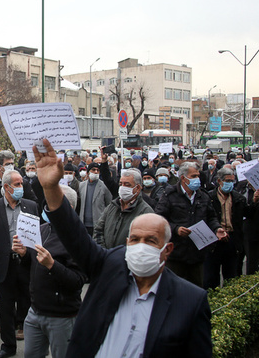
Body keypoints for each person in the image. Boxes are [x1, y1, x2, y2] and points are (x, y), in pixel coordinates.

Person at [32, 138, 213, 358]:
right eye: (135, 239)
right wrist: (51, 189)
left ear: (167, 249)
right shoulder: (109, 266)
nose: (141, 247)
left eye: (151, 241)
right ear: (127, 243)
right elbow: (74, 234)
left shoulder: (190, 301)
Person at [12, 185, 86, 358]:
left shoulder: (78, 238)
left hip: (62, 316)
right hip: (35, 311)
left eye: (52, 203)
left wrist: (53, 265)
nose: (46, 208)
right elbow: (32, 265)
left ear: (68, 207)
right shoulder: (43, 229)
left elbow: (78, 281)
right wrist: (24, 254)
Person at [0, 169, 39, 358]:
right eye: (18, 184)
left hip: (26, 264)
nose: (22, 187)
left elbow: (38, 239)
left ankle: (32, 345)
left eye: (22, 183)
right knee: (5, 308)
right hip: (3, 267)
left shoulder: (31, 206)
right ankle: (8, 346)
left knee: (27, 305)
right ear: (6, 187)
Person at [155, 161, 227, 287]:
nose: (197, 179)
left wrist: (217, 228)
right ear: (183, 178)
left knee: (196, 289)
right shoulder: (170, 195)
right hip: (176, 254)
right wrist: (176, 229)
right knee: (174, 290)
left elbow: (211, 217)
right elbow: (159, 219)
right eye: (193, 176)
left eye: (198, 176)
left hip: (197, 254)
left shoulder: (203, 196)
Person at [203, 168, 250, 289]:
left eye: (232, 181)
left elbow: (248, 214)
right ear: (219, 181)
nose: (230, 183)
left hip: (232, 239)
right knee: (211, 277)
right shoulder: (209, 197)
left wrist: (255, 202)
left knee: (232, 276)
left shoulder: (238, 198)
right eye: (227, 181)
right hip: (214, 240)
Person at [93, 169, 154, 249]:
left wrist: (118, 256)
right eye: (121, 184)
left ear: (138, 188)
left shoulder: (146, 212)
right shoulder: (112, 206)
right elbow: (98, 229)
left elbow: (144, 243)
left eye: (127, 184)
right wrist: (104, 253)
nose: (122, 187)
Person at [78, 163, 113, 236]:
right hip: (84, 224)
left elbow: (109, 204)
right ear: (88, 173)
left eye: (98, 170)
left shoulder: (104, 186)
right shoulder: (82, 185)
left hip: (98, 223)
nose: (96, 172)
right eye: (93, 170)